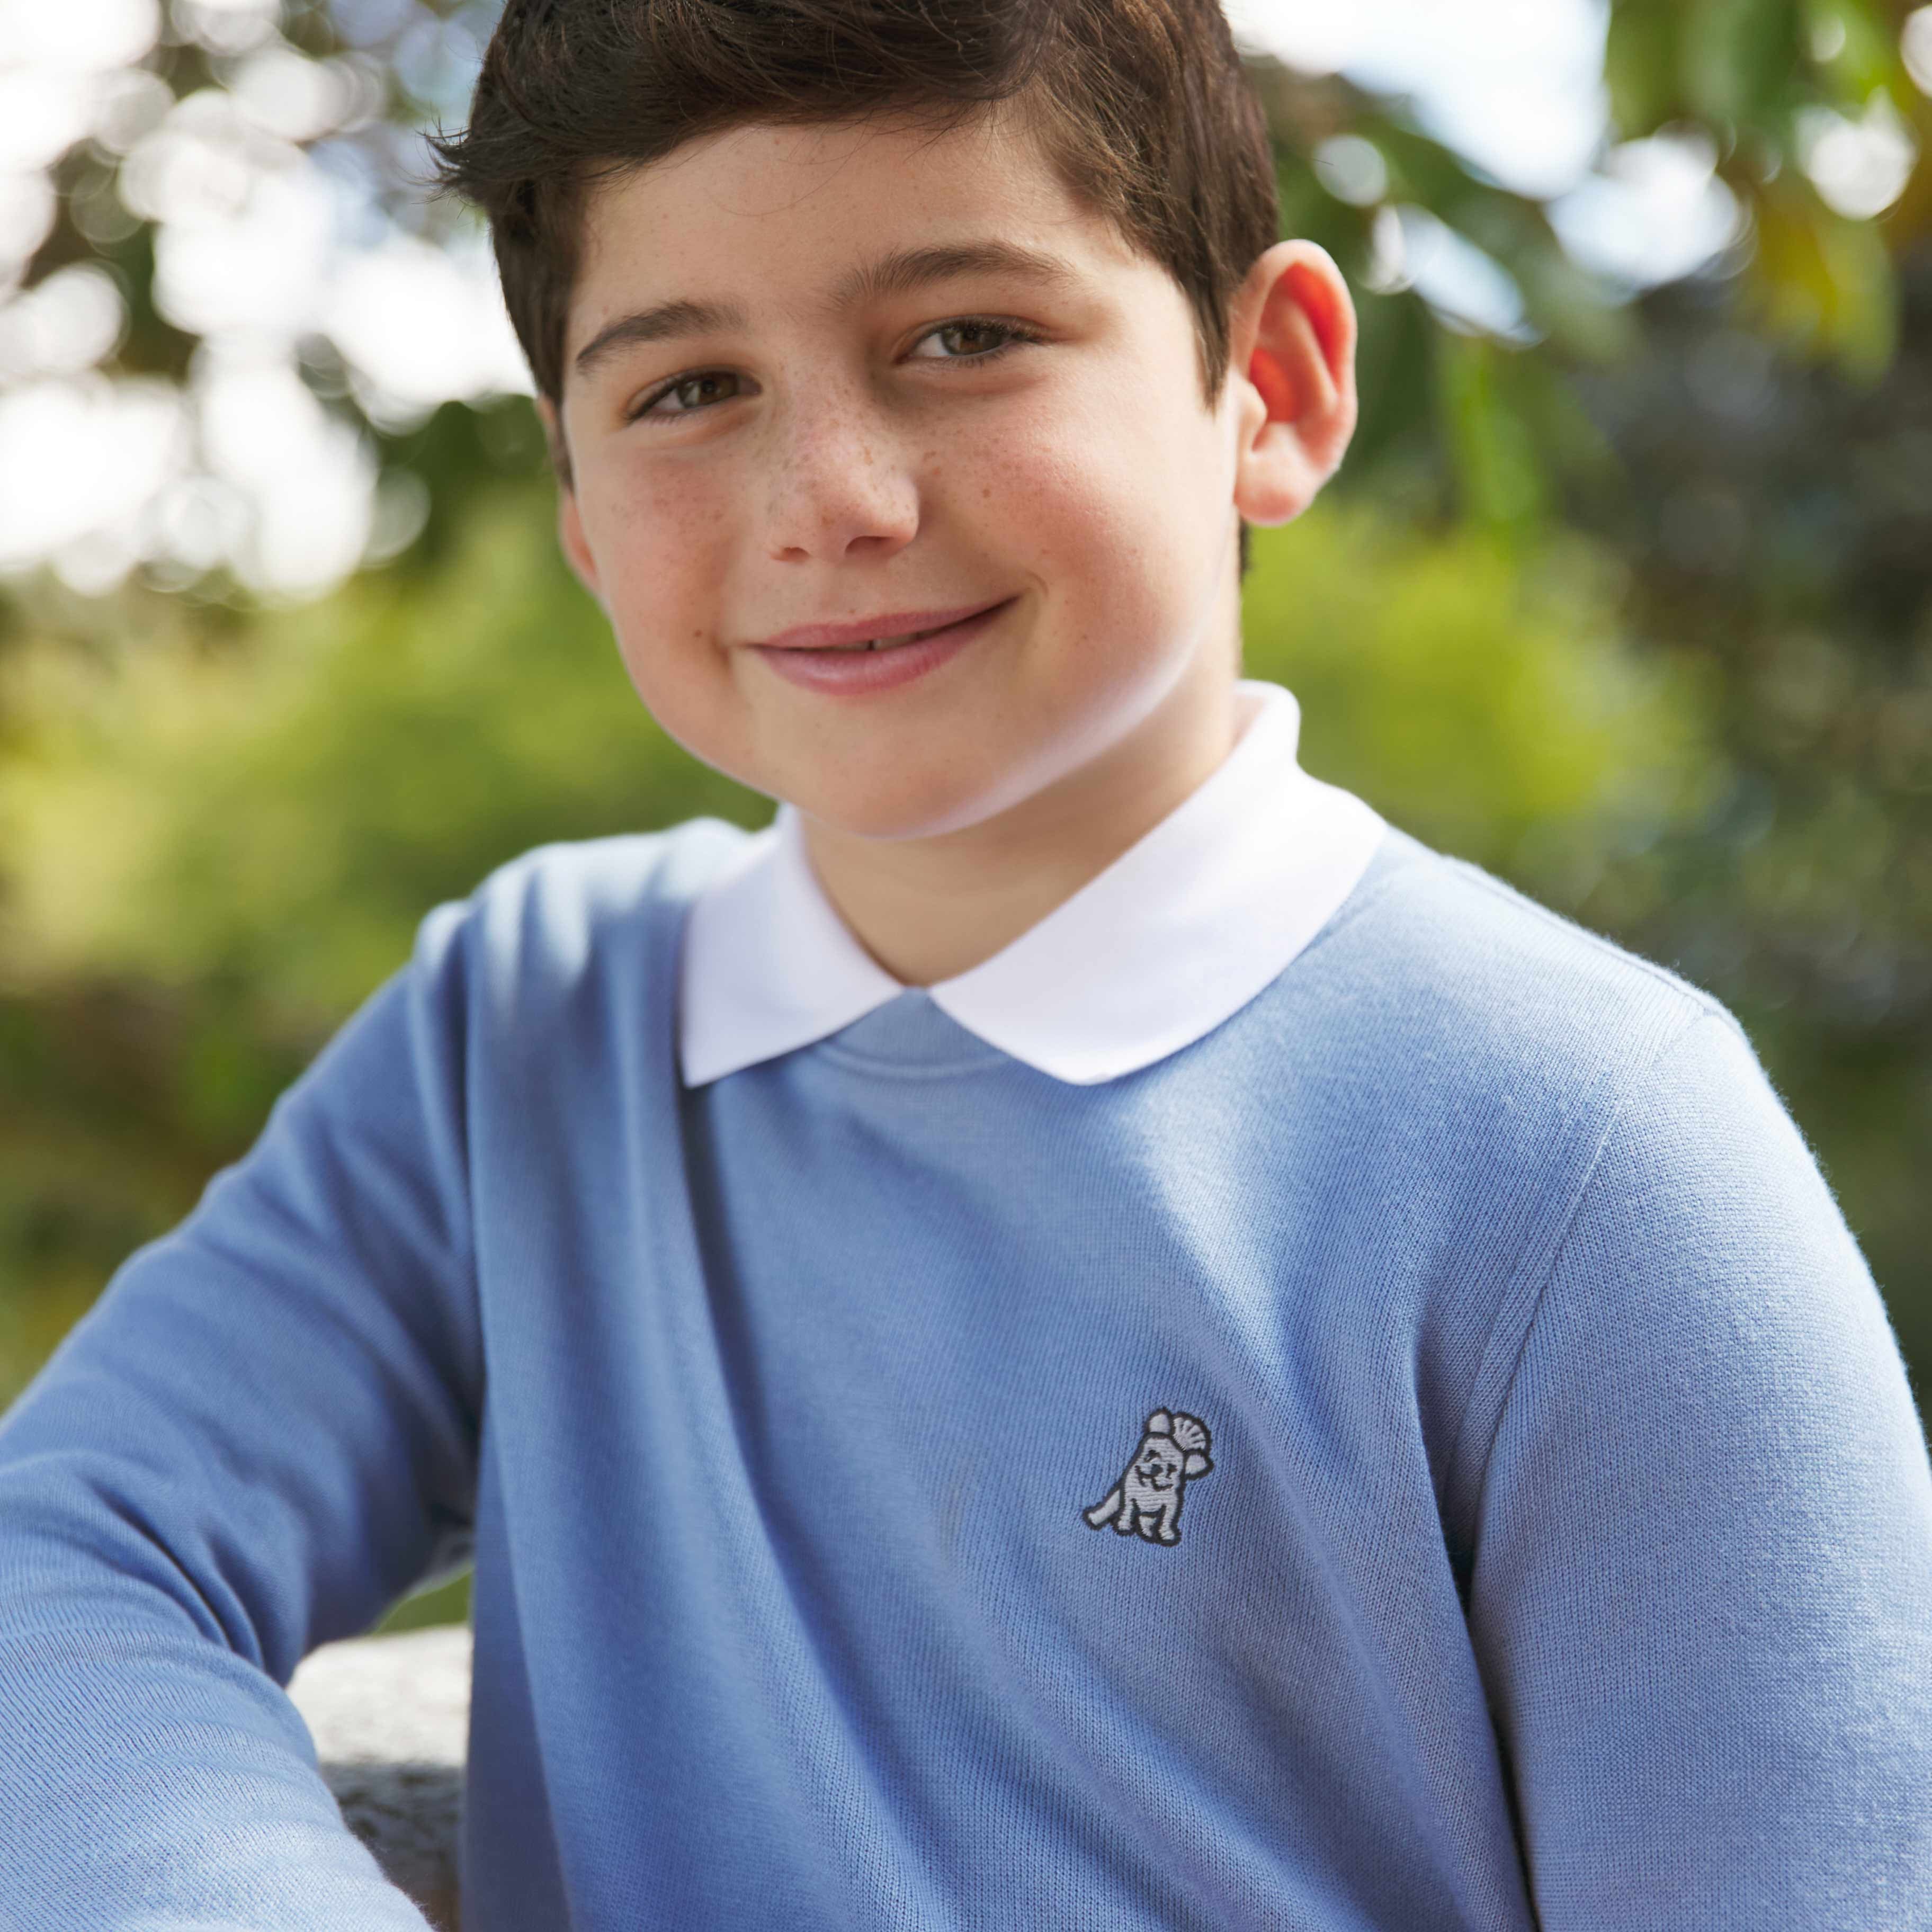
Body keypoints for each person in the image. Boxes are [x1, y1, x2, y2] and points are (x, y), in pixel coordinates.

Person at [2, 0, 1929, 1924]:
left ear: (1271, 383)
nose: (834, 498)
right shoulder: (525, 1029)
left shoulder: (1588, 1160)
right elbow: (68, 1554)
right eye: (688, 389)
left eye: (965, 338)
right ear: (577, 505)